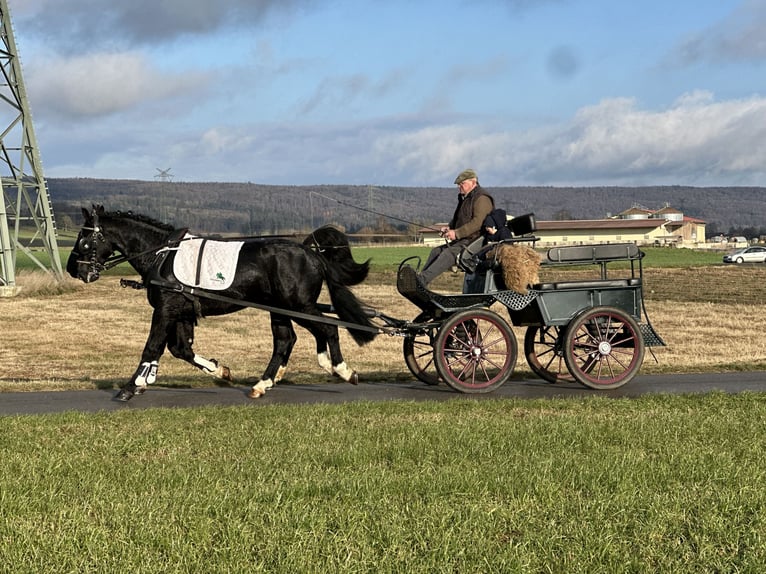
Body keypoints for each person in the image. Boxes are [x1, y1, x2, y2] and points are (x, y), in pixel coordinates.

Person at [418, 168, 494, 286]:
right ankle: (420, 280)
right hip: (464, 240)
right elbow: (459, 218)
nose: (459, 186)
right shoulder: (465, 198)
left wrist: (456, 233)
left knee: (448, 254)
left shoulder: (482, 198)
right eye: (459, 184)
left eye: (462, 183)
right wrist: (449, 228)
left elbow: (477, 223)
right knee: (436, 251)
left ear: (473, 182)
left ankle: (421, 281)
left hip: (475, 241)